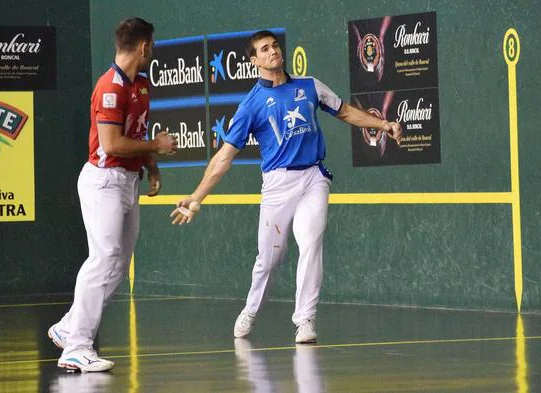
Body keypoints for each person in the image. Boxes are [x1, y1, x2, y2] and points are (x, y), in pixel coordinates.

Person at [170, 30, 401, 344]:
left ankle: (305, 319)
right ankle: (251, 310)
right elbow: (225, 156)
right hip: (278, 185)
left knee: (311, 243)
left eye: (275, 45)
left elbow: (345, 111)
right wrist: (196, 197)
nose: (273, 51)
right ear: (254, 61)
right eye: (264, 49)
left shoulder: (309, 86)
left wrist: (383, 124)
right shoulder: (251, 105)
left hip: (313, 178)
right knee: (270, 259)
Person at [48, 17, 177, 372]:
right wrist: (157, 146)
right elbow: (111, 143)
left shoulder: (141, 85)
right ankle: (76, 347)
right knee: (102, 259)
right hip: (103, 181)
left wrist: (151, 165)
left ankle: (68, 326)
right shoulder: (110, 86)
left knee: (118, 266)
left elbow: (135, 133)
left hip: (128, 181)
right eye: (152, 46)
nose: (152, 51)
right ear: (144, 46)